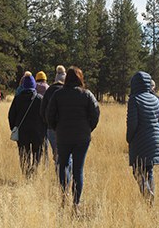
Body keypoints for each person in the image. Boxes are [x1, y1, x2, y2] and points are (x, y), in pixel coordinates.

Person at [46, 66, 100, 212]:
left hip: (63, 136)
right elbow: (95, 113)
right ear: (80, 78)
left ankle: (64, 196)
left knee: (62, 165)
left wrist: (56, 128)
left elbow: (49, 115)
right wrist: (89, 128)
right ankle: (76, 203)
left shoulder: (58, 94)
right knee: (78, 169)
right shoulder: (87, 94)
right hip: (82, 137)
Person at [126, 71, 159, 204]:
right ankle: (150, 201)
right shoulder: (155, 99)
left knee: (137, 171)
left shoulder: (134, 99)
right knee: (149, 171)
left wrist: (129, 138)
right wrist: (154, 133)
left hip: (139, 141)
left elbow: (132, 124)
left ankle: (147, 194)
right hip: (155, 140)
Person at [8, 75, 46, 177]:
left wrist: (14, 128)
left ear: (24, 85)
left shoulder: (18, 98)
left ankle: (26, 173)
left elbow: (11, 115)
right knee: (37, 152)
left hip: (22, 131)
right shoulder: (40, 99)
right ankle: (35, 167)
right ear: (34, 86)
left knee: (24, 153)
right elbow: (45, 116)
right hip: (38, 131)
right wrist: (44, 130)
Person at [40, 65, 66, 166]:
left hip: (51, 127)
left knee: (56, 151)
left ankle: (59, 173)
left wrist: (47, 122)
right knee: (65, 153)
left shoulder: (49, 90)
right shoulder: (69, 91)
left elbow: (42, 110)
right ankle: (64, 176)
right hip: (65, 127)